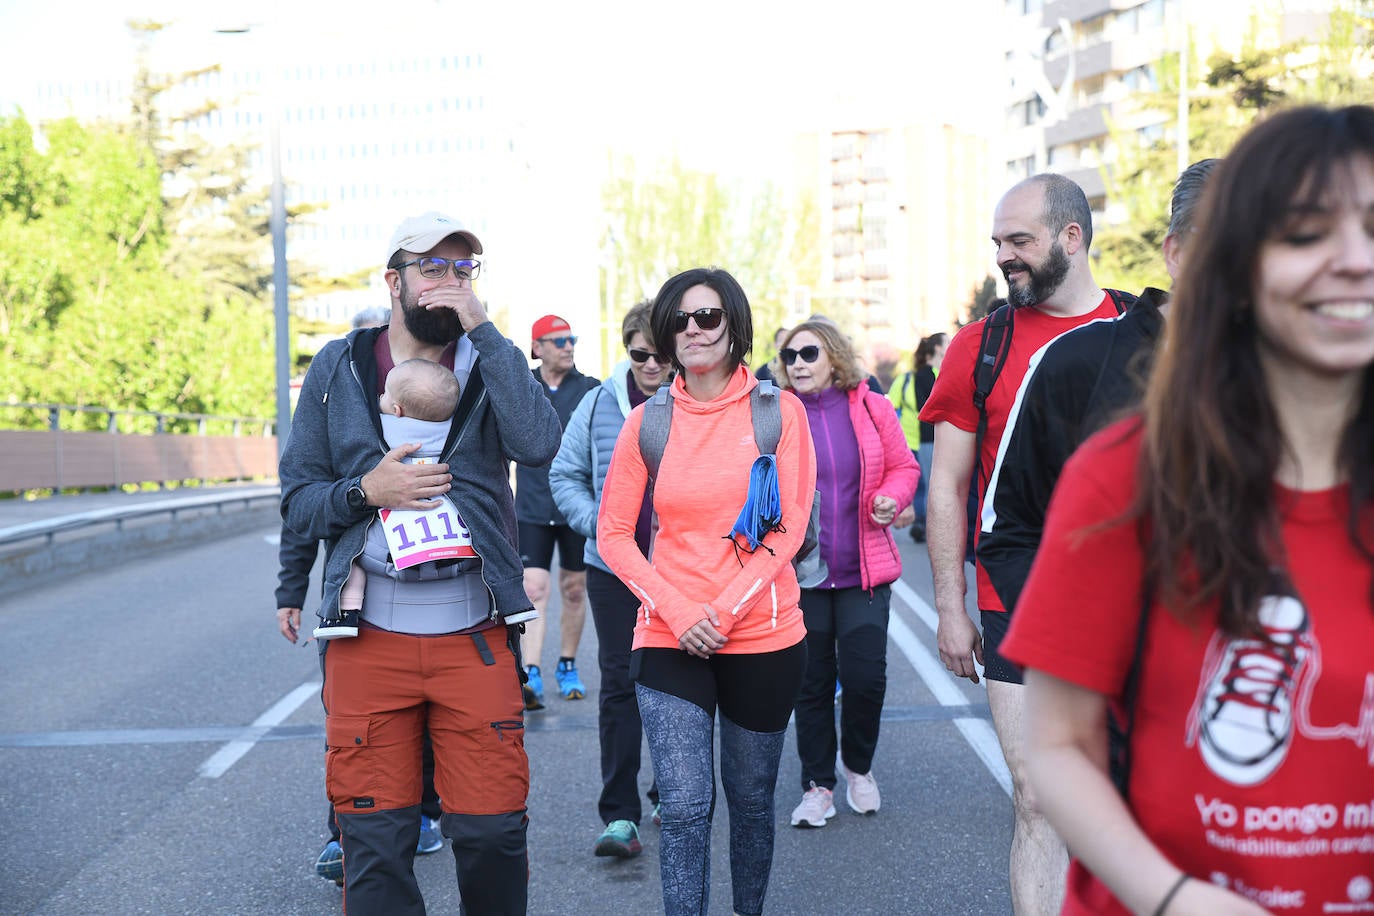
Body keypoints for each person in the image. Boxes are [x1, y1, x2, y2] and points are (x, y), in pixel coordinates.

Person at [1002, 104, 1374, 916]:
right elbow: (1058, 748)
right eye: (1306, 234)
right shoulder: (1126, 475)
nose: (1353, 262)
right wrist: (1175, 901)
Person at [279, 211, 562, 914]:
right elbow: (299, 501)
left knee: (494, 832)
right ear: (393, 280)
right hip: (369, 635)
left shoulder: (489, 360)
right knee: (373, 845)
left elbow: (537, 444)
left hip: (474, 630)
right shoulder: (339, 367)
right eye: (431, 267)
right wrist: (364, 491)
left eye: (463, 268)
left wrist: (486, 332)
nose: (448, 281)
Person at [918, 173, 1132, 915]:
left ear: (1072, 238)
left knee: (1132, 797)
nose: (1003, 258)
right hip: (1019, 602)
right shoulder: (983, 347)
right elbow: (945, 484)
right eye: (998, 243)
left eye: (1020, 242)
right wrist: (950, 607)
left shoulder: (1142, 334)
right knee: (1039, 799)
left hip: (1135, 604)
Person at [597, 267, 814, 916]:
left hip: (764, 637)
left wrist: (721, 610)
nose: (693, 329)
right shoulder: (648, 423)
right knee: (686, 806)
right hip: (669, 634)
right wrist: (683, 610)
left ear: (733, 326)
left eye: (708, 317)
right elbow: (612, 535)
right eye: (681, 319)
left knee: (751, 804)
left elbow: (790, 528)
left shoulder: (779, 413)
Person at [978, 158, 1220, 618]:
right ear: (1178, 254)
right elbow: (1009, 529)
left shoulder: (1307, 374)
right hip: (1110, 674)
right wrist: (1068, 650)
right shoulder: (1075, 361)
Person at [274, 307, 448, 882]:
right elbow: (302, 508)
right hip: (352, 587)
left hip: (435, 591)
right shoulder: (340, 403)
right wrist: (290, 590)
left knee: (420, 713)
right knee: (351, 724)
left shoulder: (438, 408)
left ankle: (422, 812)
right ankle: (344, 832)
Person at [775, 319, 917, 828]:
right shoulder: (778, 413)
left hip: (864, 573)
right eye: (789, 356)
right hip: (801, 577)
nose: (798, 364)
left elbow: (905, 467)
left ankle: (858, 766)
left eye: (808, 353)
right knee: (810, 686)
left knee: (865, 680)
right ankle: (817, 785)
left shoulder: (871, 406)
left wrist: (891, 498)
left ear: (833, 355)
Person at [549, 300, 669, 859]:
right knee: (621, 684)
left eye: (660, 355)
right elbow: (564, 473)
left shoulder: (699, 402)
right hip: (614, 568)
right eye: (639, 354)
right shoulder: (599, 402)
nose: (650, 365)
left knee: (675, 684)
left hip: (682, 570)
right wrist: (599, 526)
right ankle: (620, 815)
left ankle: (671, 790)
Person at [322, 357, 463, 640]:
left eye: (385, 395)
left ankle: (345, 612)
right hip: (444, 520)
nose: (380, 398)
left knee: (352, 556)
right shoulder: (453, 433)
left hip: (390, 522)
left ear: (397, 410)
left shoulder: (384, 430)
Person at [516, 314, 601, 709]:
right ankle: (531, 673)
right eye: (558, 340)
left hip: (576, 508)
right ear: (538, 348)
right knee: (533, 589)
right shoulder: (522, 386)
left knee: (573, 589)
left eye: (571, 339)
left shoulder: (590, 390)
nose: (567, 346)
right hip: (531, 507)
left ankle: (567, 665)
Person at [887, 332, 947, 542]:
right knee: (926, 484)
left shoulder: (918, 375)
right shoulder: (930, 375)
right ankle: (923, 523)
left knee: (922, 484)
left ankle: (922, 522)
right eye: (948, 343)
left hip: (916, 439)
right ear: (938, 349)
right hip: (924, 439)